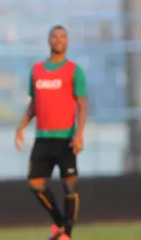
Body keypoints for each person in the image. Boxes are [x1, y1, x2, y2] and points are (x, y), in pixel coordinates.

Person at [15, 25, 88, 240]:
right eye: (54, 37)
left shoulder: (75, 71)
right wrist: (21, 127)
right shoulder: (37, 70)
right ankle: (59, 223)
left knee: (69, 185)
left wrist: (80, 133)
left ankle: (67, 234)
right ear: (48, 41)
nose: (58, 40)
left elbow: (82, 104)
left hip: (66, 138)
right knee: (35, 184)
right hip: (43, 138)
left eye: (62, 37)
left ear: (67, 41)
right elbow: (34, 105)